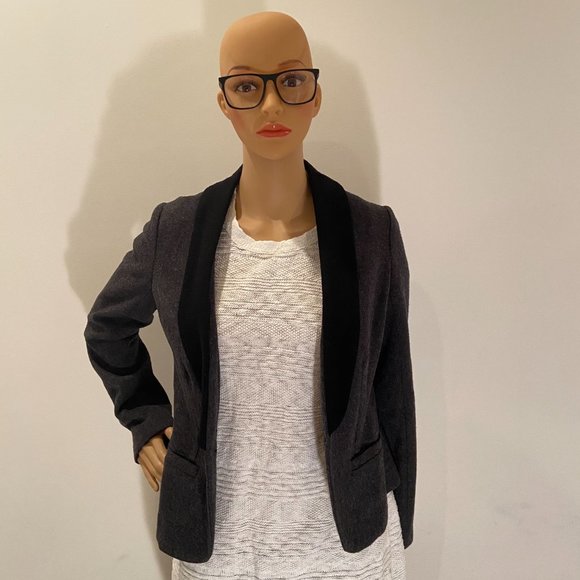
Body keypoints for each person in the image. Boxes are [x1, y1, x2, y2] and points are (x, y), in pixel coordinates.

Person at [84, 10, 416, 580]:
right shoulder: (176, 231)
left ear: (316, 95)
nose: (271, 105)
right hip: (221, 548)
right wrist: (145, 420)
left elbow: (393, 387)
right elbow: (107, 329)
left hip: (349, 547)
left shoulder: (371, 233)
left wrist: (400, 516)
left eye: (291, 80)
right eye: (246, 86)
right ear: (224, 102)